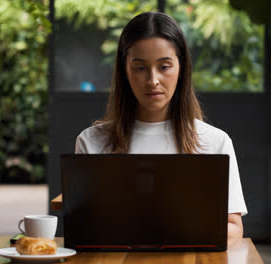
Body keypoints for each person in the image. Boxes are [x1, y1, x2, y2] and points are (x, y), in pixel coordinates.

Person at [75, 11, 247, 247]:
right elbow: (84, 229)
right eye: (140, 68)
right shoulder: (91, 141)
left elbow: (233, 229)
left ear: (181, 68)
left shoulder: (216, 142)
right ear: (124, 71)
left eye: (164, 66)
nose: (152, 80)